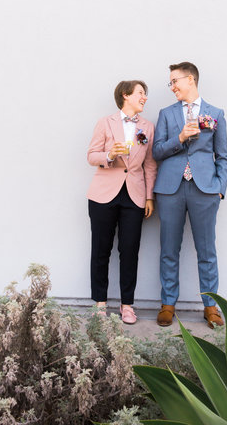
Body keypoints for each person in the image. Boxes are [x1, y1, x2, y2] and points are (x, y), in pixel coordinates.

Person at [153, 62, 227, 328]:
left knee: (207, 250)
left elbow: (223, 157)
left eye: (175, 81)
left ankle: (210, 307)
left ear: (190, 80)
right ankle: (167, 304)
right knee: (169, 249)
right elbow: (157, 151)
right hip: (170, 189)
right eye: (170, 83)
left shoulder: (215, 113)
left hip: (205, 189)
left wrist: (220, 188)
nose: (172, 86)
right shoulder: (166, 114)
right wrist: (180, 137)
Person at [87, 80, 157, 324]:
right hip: (103, 194)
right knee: (100, 250)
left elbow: (149, 163)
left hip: (135, 195)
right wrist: (110, 155)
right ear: (126, 95)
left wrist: (149, 196)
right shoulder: (105, 123)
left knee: (130, 251)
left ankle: (127, 305)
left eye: (145, 94)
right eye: (141, 93)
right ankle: (100, 304)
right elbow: (91, 156)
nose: (144, 98)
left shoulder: (147, 127)